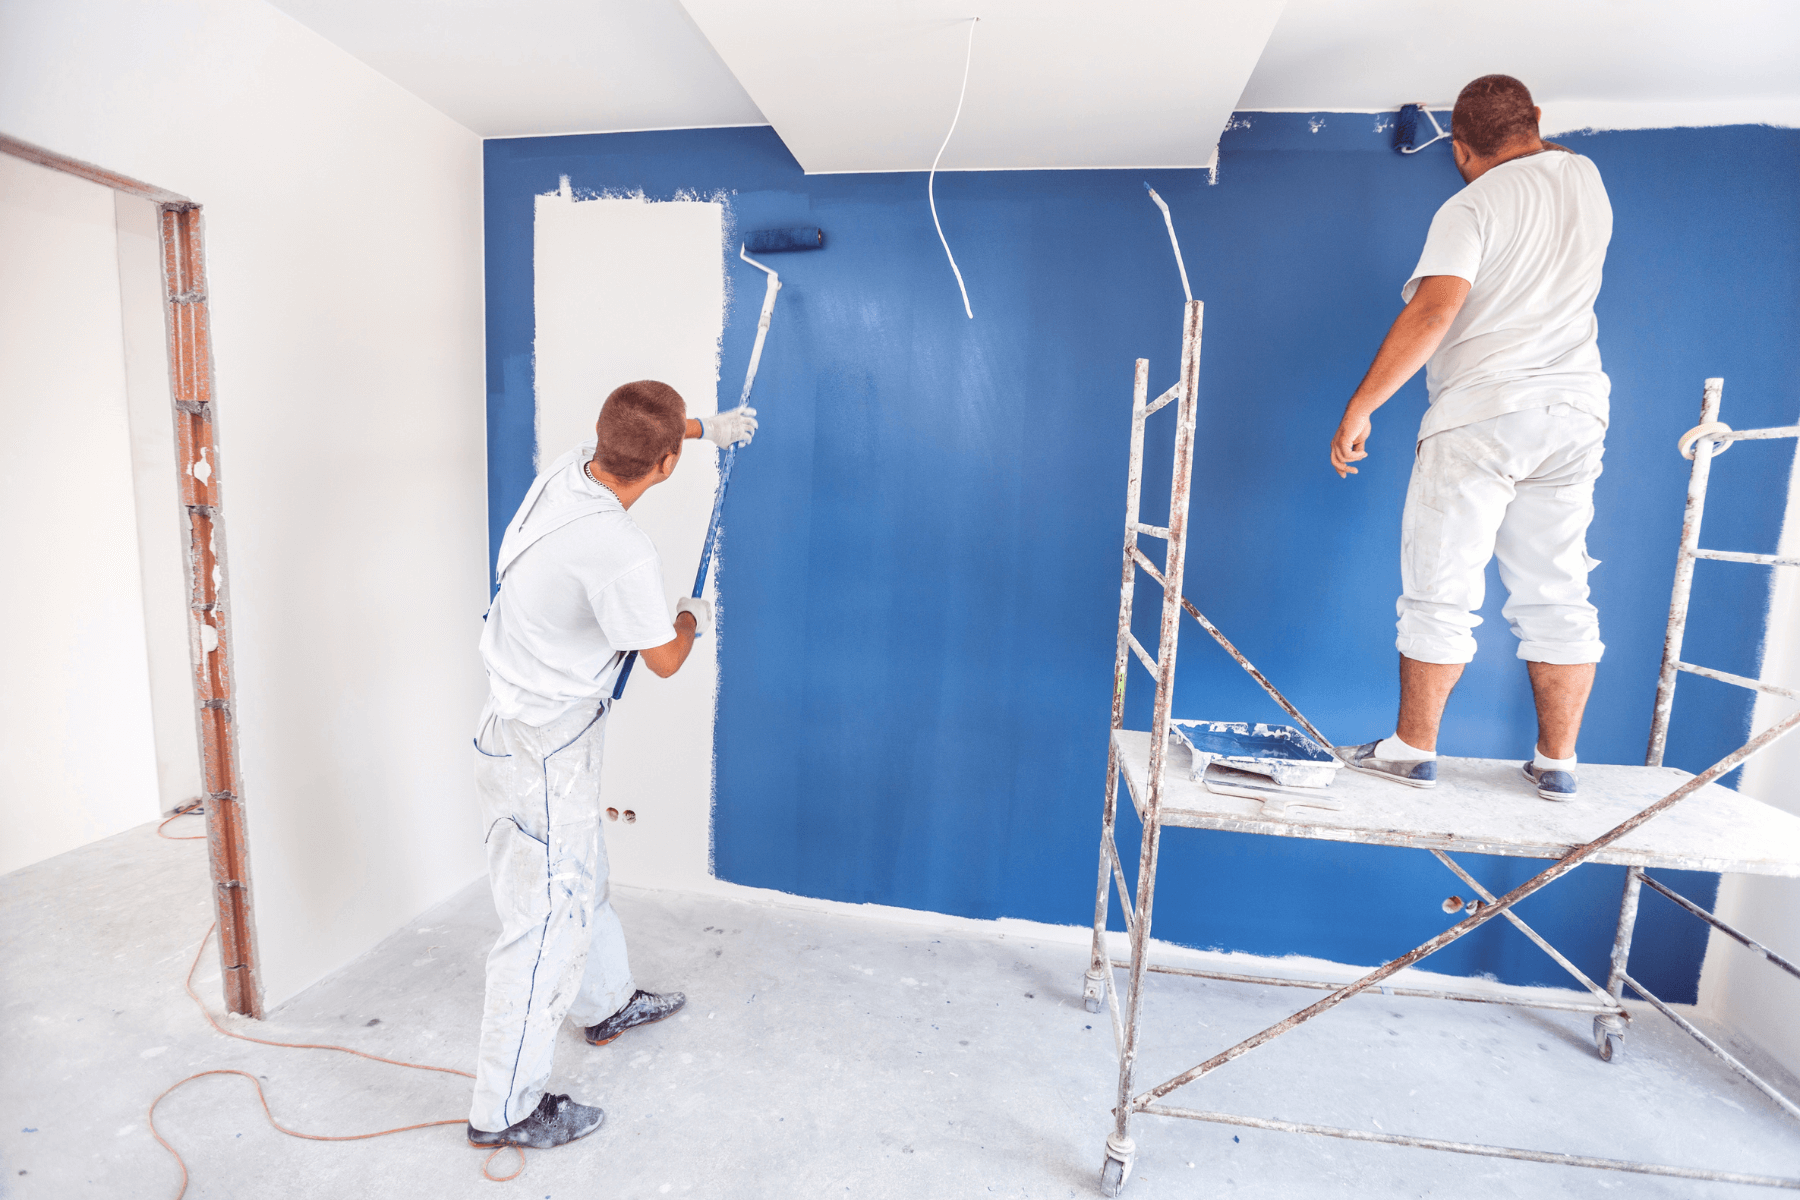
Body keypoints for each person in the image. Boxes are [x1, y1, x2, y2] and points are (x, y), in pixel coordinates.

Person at [465, 380, 757, 1150]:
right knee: (542, 925)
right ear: (663, 465)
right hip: (546, 744)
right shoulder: (622, 552)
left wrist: (706, 429)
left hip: (525, 721)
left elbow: (644, 429)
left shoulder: (569, 472)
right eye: (678, 448)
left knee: (580, 880)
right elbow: (662, 658)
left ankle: (603, 1005)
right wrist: (693, 615)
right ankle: (503, 1111)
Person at [1329, 75, 1612, 802]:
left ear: (1459, 149)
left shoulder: (1470, 204)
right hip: (1576, 413)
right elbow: (1539, 158)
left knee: (1441, 587)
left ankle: (1410, 750)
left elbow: (1434, 312)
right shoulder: (1585, 179)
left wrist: (1361, 406)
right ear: (1538, 121)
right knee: (1558, 589)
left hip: (1484, 412)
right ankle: (1557, 763)